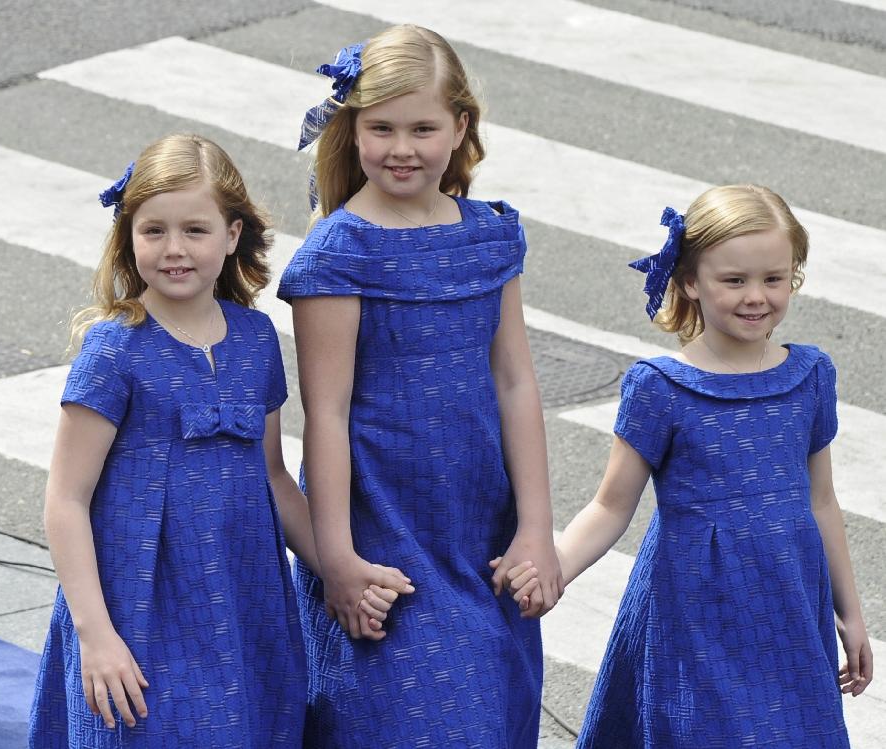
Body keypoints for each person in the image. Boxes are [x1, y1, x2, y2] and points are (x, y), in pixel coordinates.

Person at [28, 133, 408, 748]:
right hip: (136, 606)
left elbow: (274, 478)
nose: (174, 249)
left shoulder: (256, 340)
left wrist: (337, 569)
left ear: (233, 236)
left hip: (240, 598)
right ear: (129, 236)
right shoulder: (115, 349)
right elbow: (65, 500)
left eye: (195, 230)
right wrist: (96, 636)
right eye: (153, 231)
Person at [501, 185, 873, 747]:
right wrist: (553, 572)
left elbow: (821, 500)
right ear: (690, 280)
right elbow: (609, 506)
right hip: (695, 612)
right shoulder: (661, 387)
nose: (756, 296)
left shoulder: (811, 376)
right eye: (734, 280)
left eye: (774, 279)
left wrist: (851, 612)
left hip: (790, 608)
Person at [279, 25, 563, 748]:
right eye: (381, 128)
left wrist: (535, 528)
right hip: (382, 532)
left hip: (478, 528)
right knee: (413, 718)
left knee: (494, 710)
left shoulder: (491, 236)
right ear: (353, 127)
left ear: (460, 125)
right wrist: (336, 558)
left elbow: (515, 381)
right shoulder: (339, 254)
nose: (401, 147)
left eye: (423, 127)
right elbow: (328, 415)